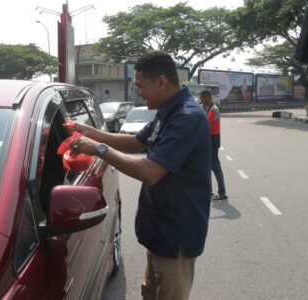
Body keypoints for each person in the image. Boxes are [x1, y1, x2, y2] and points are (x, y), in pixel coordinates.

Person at [69, 51, 212, 300]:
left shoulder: (186, 118)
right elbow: (136, 142)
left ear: (162, 82)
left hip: (175, 237)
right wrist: (90, 132)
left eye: (140, 86)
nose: (138, 93)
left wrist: (99, 149)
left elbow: (151, 172)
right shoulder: (167, 111)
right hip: (159, 231)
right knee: (151, 293)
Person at [199, 90, 227, 201]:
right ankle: (208, 191)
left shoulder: (214, 110)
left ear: (207, 97)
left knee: (215, 166)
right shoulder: (204, 108)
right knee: (207, 166)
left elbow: (204, 120)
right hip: (207, 140)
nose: (200, 100)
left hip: (213, 141)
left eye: (202, 97)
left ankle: (222, 192)